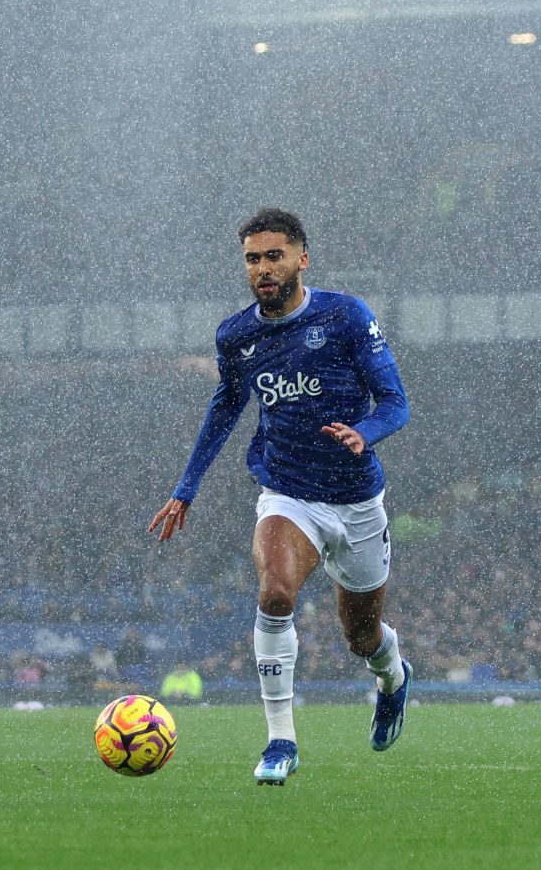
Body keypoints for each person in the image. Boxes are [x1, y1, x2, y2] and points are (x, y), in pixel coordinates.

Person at [149, 208, 412, 786]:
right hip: (288, 493)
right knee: (273, 593)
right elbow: (225, 409)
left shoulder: (345, 316)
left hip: (357, 499)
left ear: (301, 258)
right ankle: (279, 742)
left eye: (274, 256)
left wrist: (363, 434)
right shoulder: (238, 335)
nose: (263, 269)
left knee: (361, 638)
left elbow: (397, 403)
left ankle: (392, 679)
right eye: (252, 259)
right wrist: (185, 489)